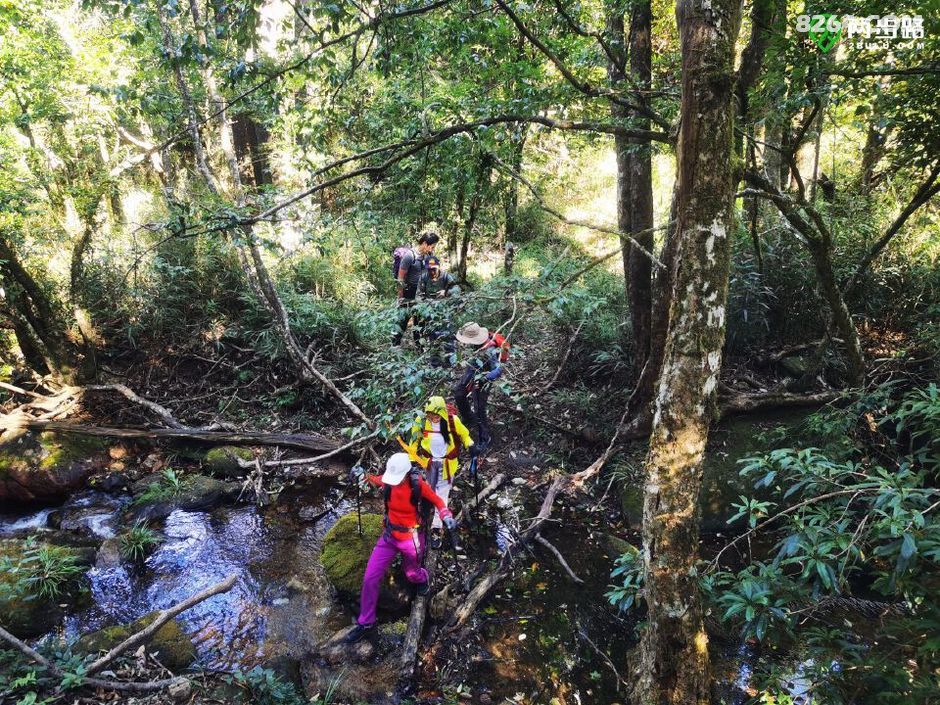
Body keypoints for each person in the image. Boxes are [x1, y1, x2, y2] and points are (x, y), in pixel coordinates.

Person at [346, 453, 455, 643]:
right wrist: (361, 474)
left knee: (412, 574)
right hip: (389, 536)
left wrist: (446, 515)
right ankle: (366, 622)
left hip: (411, 538)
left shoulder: (417, 485)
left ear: (406, 474)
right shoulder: (389, 481)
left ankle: (423, 577)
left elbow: (438, 501)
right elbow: (374, 480)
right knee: (370, 577)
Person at [410, 396, 477, 546]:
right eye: (429, 414)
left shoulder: (452, 421)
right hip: (429, 463)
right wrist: (411, 459)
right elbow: (414, 441)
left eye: (436, 414)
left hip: (447, 465)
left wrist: (471, 445)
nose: (432, 418)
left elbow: (465, 435)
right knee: (429, 489)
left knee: (442, 494)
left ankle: (436, 528)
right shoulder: (421, 422)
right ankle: (424, 513)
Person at [453, 322, 504, 451]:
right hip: (472, 370)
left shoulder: (489, 350)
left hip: (484, 377)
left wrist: (485, 378)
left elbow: (498, 369)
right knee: (459, 393)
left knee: (479, 408)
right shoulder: (474, 346)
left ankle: (485, 439)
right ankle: (468, 418)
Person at [393, 232, 439, 346]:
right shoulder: (410, 256)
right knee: (403, 319)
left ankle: (419, 347)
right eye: (432, 246)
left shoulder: (429, 256)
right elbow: (400, 278)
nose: (433, 249)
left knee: (420, 322)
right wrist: (401, 297)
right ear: (425, 243)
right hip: (409, 292)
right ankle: (395, 345)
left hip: (421, 293)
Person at [417, 256, 458, 366]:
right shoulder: (423, 278)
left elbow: (456, 290)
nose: (432, 272)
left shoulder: (446, 276)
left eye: (434, 269)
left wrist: (446, 292)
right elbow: (418, 296)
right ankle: (435, 364)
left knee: (448, 338)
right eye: (429, 270)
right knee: (433, 338)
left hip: (445, 312)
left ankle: (450, 363)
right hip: (430, 313)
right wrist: (425, 305)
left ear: (438, 267)